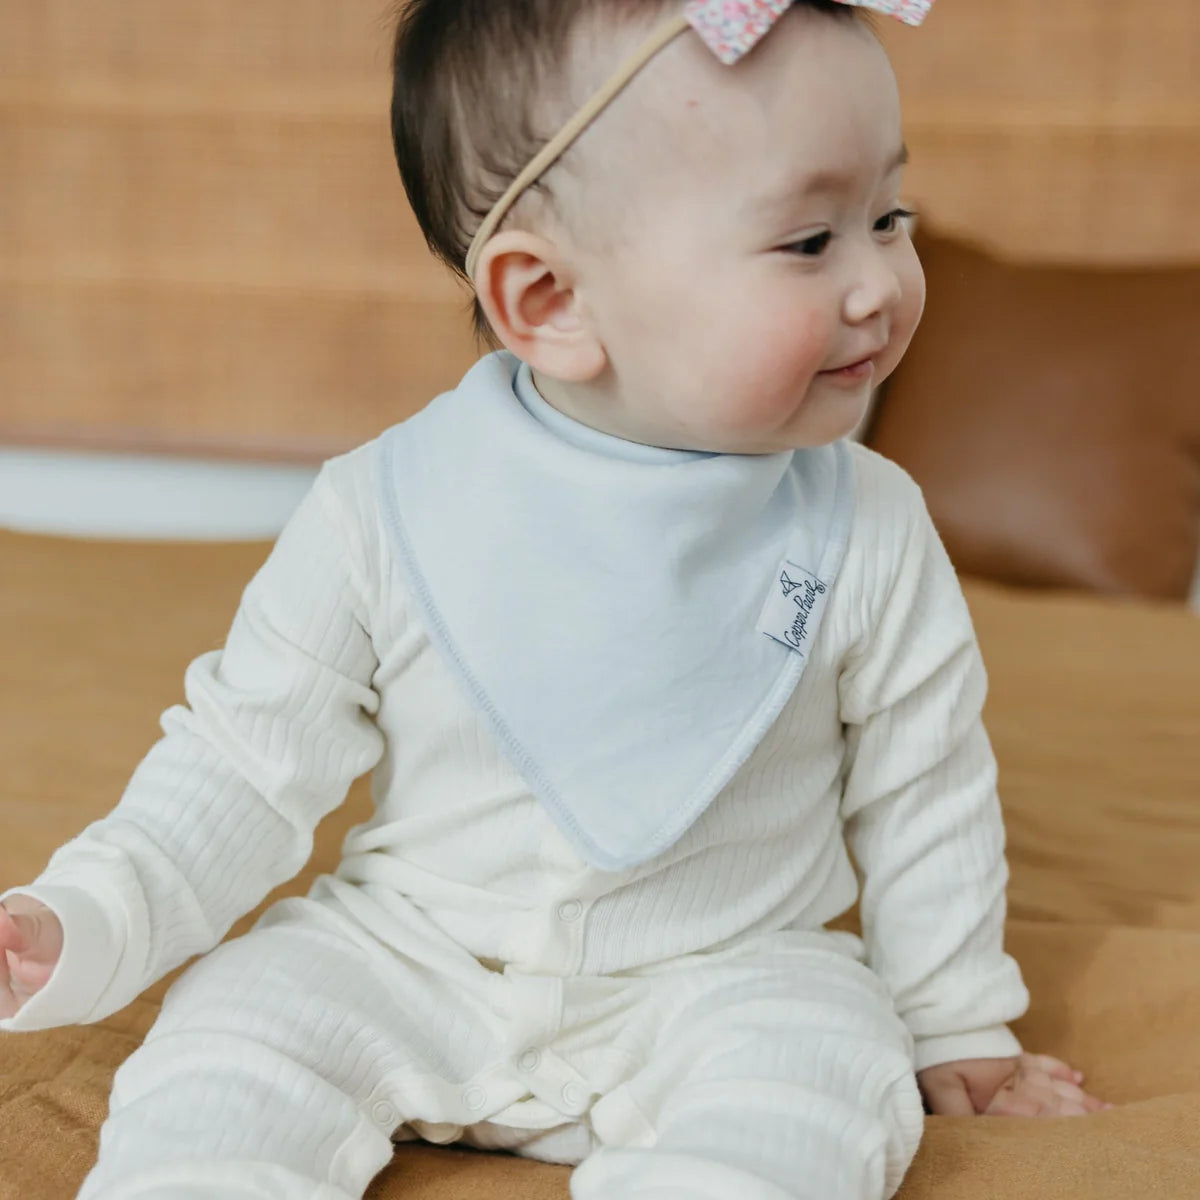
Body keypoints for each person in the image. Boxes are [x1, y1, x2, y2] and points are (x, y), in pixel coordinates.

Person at [0, 2, 1110, 1197]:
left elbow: (926, 788)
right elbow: (240, 764)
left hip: (726, 967)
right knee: (236, 1032)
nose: (880, 283)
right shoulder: (387, 508)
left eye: (889, 217)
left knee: (824, 1070)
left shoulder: (868, 524)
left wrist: (955, 1019)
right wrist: (87, 914)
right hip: (409, 948)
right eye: (809, 240)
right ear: (549, 300)